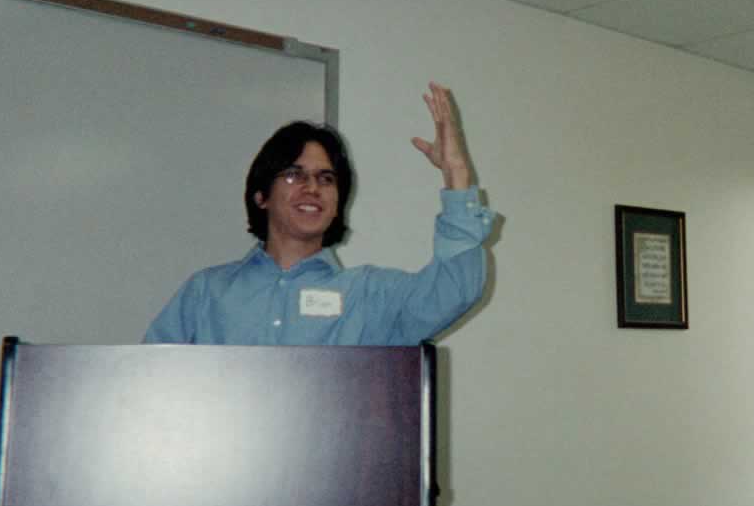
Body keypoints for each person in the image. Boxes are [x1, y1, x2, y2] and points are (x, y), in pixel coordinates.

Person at [143, 83, 493, 346]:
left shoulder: (368, 295)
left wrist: (457, 175)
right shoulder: (207, 292)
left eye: (326, 179)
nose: (313, 187)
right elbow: (147, 381)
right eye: (294, 175)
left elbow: (456, 290)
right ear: (261, 195)